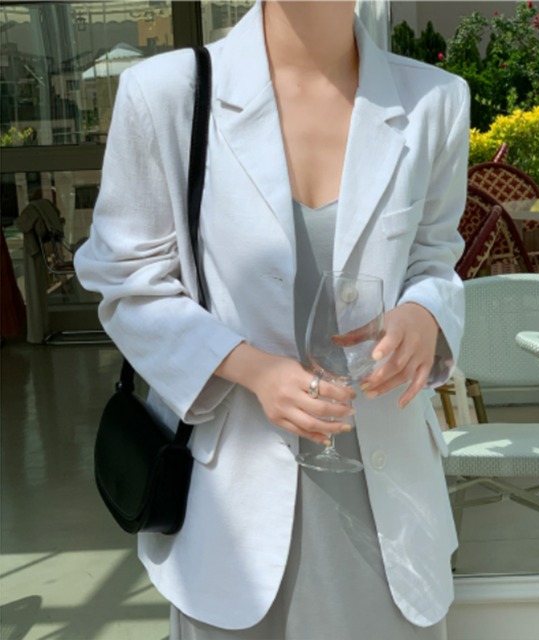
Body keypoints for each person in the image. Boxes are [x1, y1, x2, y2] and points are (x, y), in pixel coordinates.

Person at [74, 1, 470, 638]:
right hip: (233, 506)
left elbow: (434, 254)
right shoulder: (168, 95)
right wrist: (252, 369)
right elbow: (126, 283)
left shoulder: (434, 100)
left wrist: (425, 312)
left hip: (386, 499)